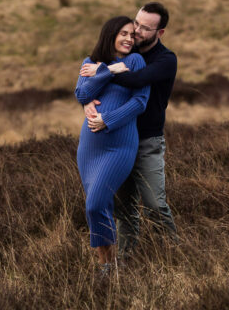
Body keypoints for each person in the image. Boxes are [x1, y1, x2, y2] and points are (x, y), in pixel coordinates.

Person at [79, 2, 178, 259]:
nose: (136, 32)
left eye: (145, 28)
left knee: (155, 205)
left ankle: (173, 254)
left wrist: (103, 70)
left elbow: (137, 82)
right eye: (136, 24)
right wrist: (85, 100)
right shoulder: (122, 53)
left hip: (146, 141)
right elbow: (85, 88)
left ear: (160, 32)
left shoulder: (164, 60)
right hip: (112, 141)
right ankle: (125, 260)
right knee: (123, 209)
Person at [75, 16, 150, 274]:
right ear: (110, 34)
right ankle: (107, 268)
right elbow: (82, 95)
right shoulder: (89, 62)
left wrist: (108, 119)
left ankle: (109, 266)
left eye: (132, 35)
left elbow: (140, 101)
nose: (129, 39)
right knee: (98, 207)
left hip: (118, 146)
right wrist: (106, 70)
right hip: (89, 148)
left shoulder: (135, 62)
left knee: (95, 204)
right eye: (124, 34)